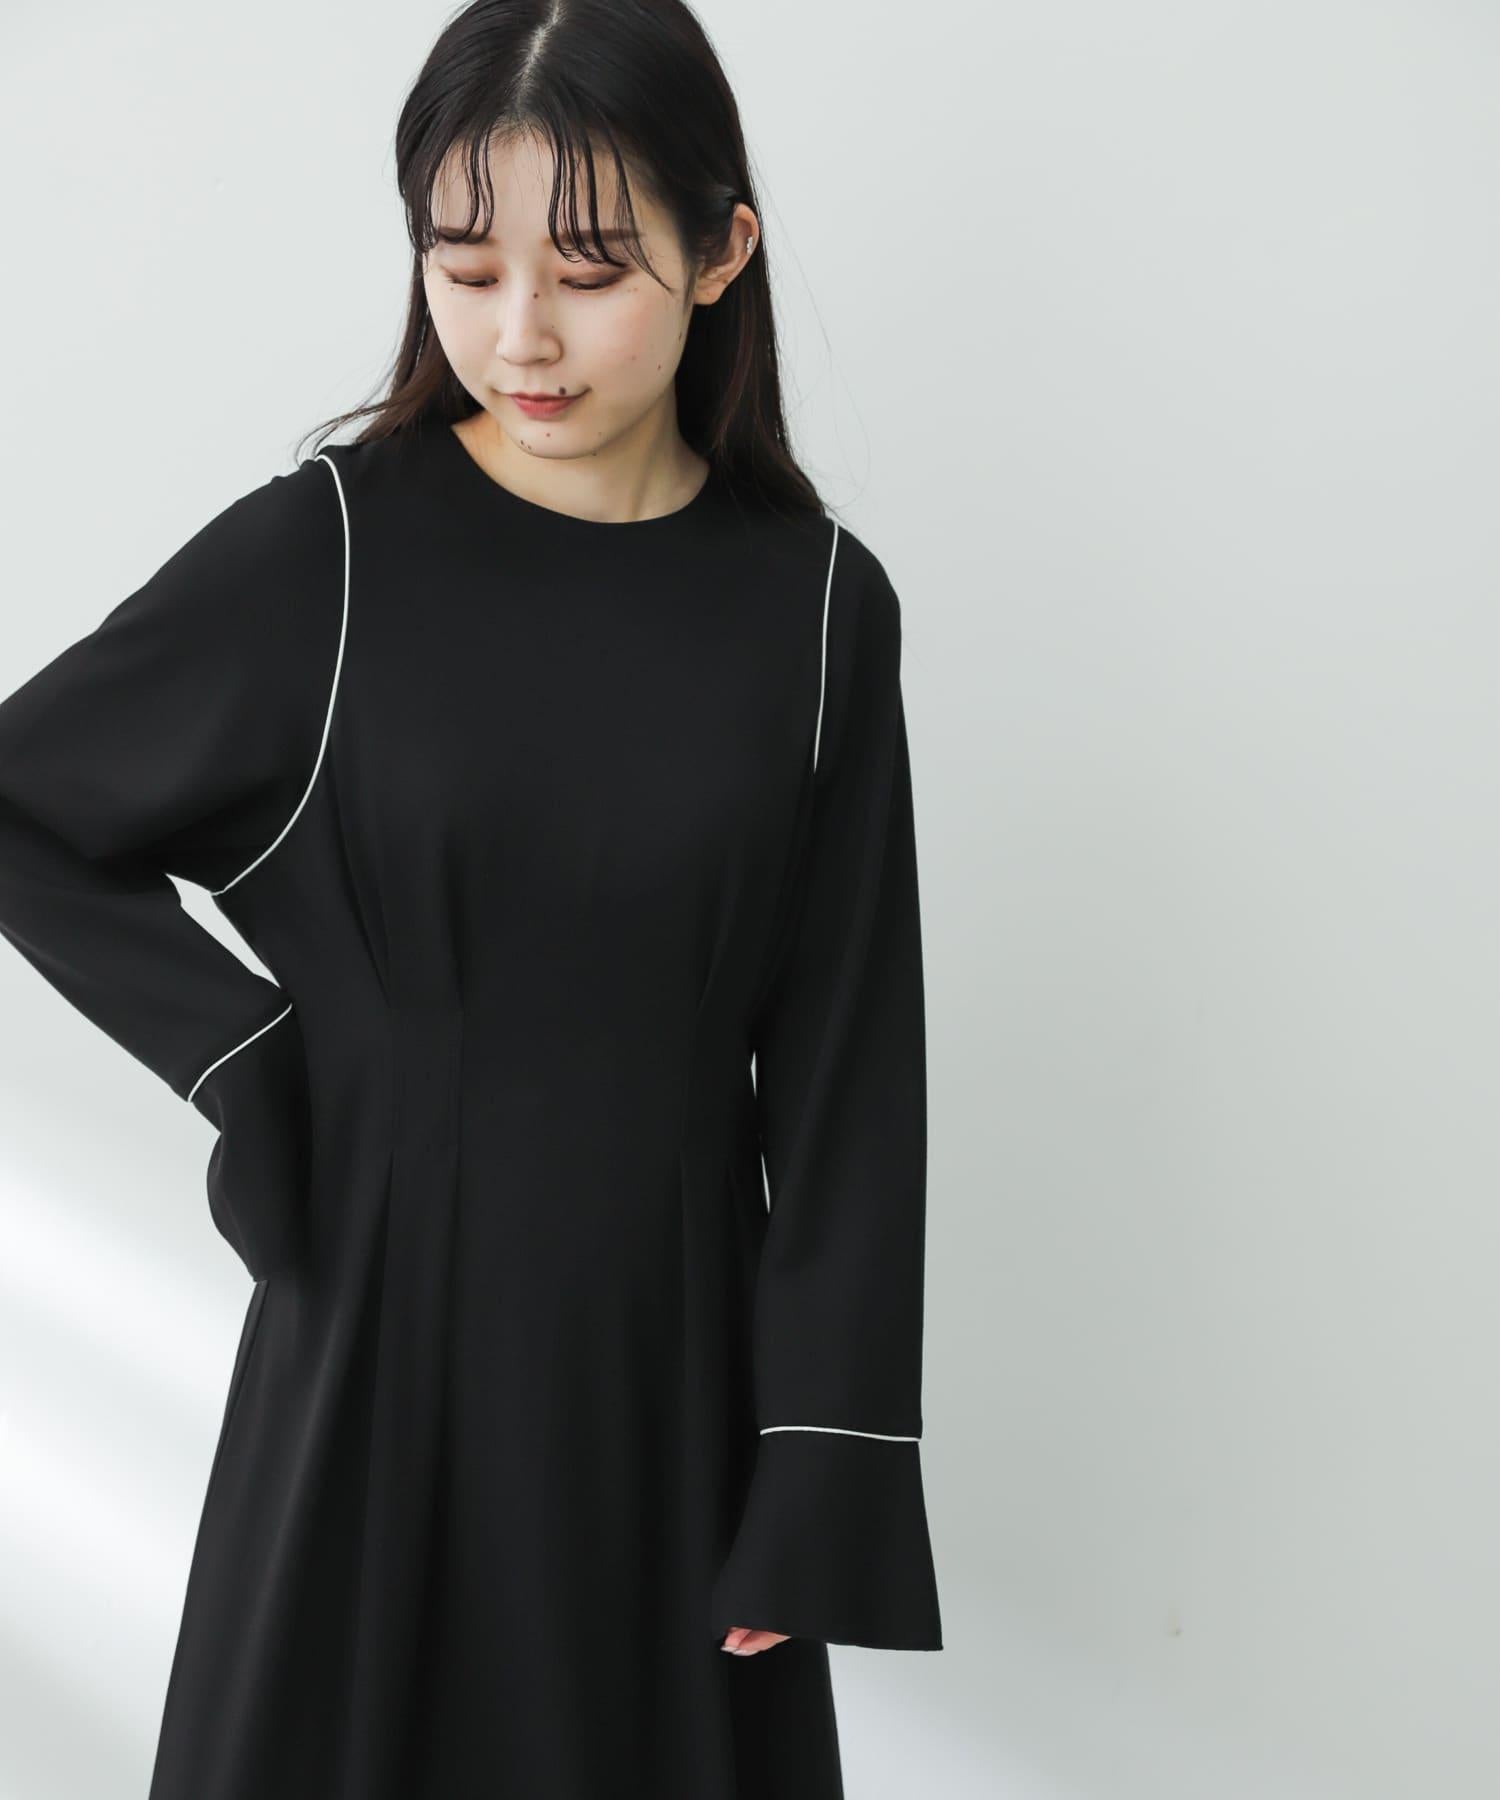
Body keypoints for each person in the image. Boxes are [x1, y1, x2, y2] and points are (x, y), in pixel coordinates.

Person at [0, 1, 942, 1793]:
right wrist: (248, 1058)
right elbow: (24, 800)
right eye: (465, 264)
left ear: (722, 250)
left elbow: (848, 1070)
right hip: (376, 1361)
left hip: (670, 1391)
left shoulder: (820, 609)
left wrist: (821, 1463)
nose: (521, 335)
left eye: (588, 272)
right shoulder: (331, 552)